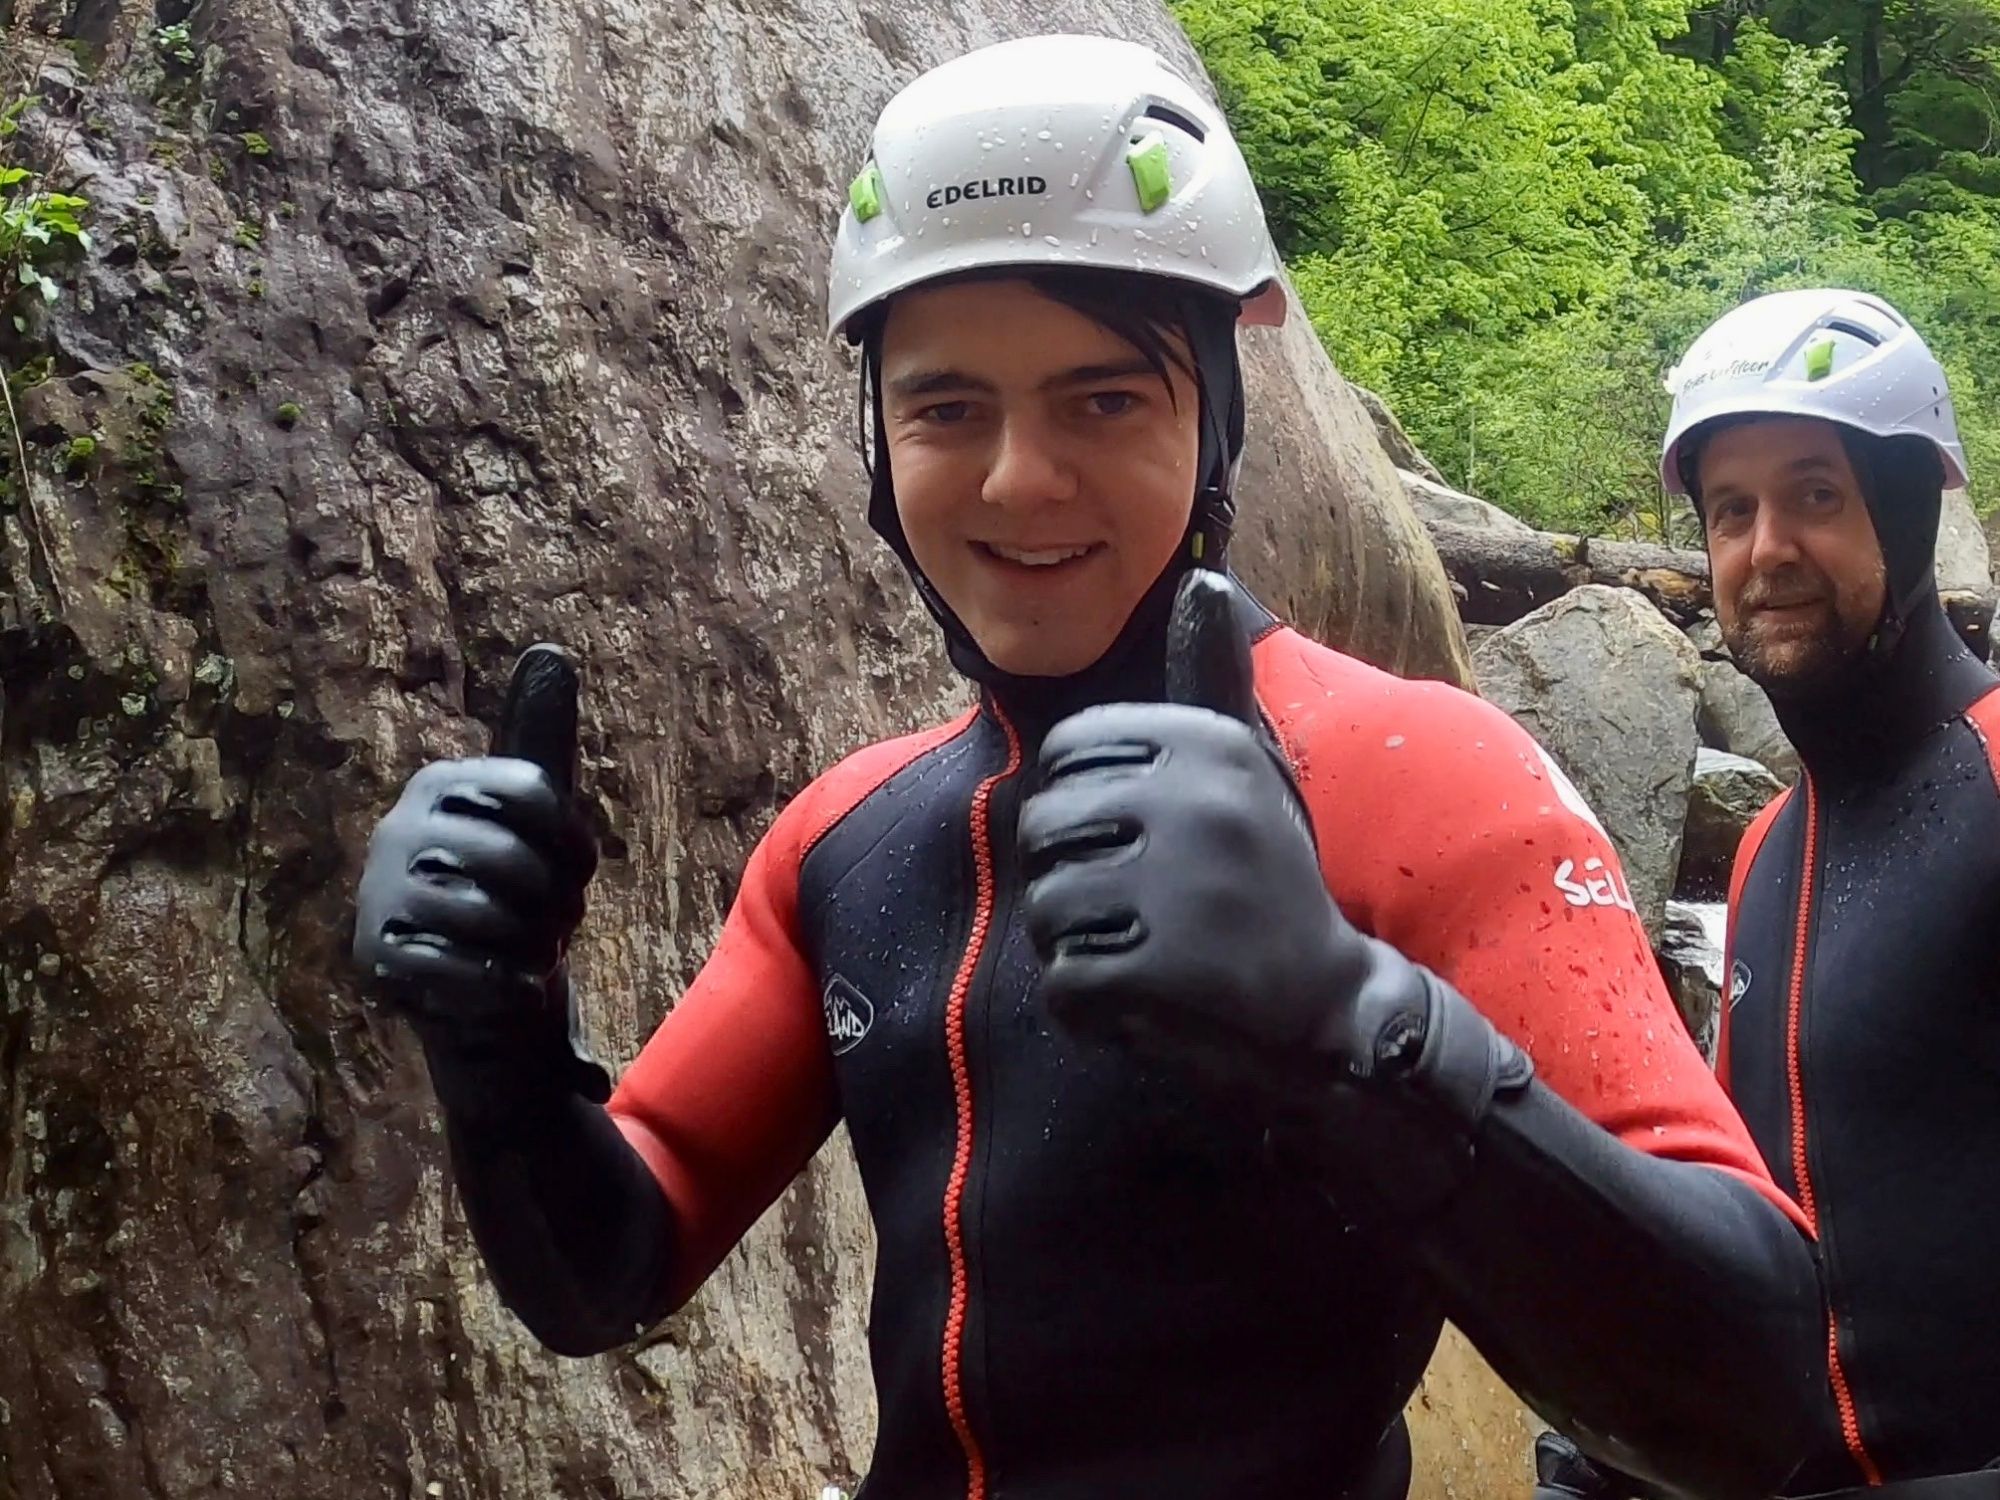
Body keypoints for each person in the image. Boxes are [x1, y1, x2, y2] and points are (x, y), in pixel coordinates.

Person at [352, 34, 1823, 1500]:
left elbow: (1758, 1392)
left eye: (1104, 399)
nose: (1019, 478)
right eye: (945, 408)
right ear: (877, 438)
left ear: (1216, 417)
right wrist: (497, 1045)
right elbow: (606, 1272)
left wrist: (1348, 1024)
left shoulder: (1414, 776)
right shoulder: (846, 841)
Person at [1657, 289, 2000, 1495]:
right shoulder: (1762, 852)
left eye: (1813, 495)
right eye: (1729, 510)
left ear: (1903, 515)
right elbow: (1751, 1214)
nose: (1765, 550)